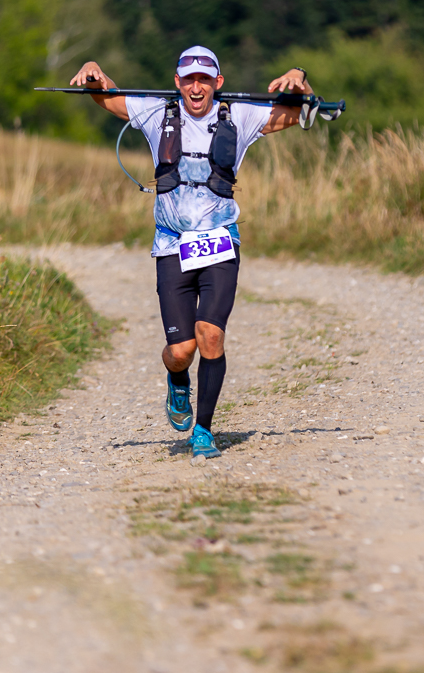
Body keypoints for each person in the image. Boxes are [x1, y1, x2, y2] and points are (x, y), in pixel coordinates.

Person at [68, 48, 311, 459]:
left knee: (210, 335)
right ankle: (176, 379)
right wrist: (94, 72)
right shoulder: (156, 113)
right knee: (181, 352)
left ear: (218, 82)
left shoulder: (239, 116)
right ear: (177, 82)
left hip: (220, 242)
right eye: (189, 79)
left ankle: (203, 430)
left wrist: (299, 77)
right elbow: (107, 98)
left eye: (204, 79)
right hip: (171, 244)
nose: (196, 87)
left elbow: (294, 113)